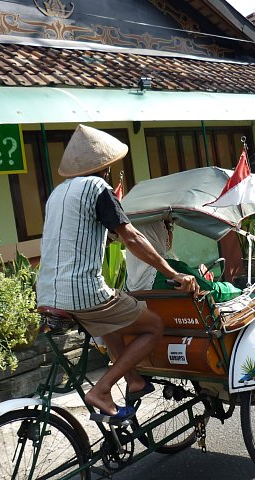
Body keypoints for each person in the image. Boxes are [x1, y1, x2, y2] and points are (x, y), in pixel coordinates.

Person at [36, 125, 199, 423]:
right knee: (153, 326)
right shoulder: (98, 189)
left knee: (108, 320)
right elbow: (132, 239)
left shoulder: (58, 194)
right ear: (106, 167)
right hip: (81, 291)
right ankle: (102, 389)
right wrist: (172, 273)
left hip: (48, 291)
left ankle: (134, 380)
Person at [126, 220, 241, 302]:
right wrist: (239, 290)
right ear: (161, 232)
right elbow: (216, 292)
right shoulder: (173, 271)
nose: (171, 233)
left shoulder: (129, 277)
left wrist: (200, 279)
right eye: (169, 227)